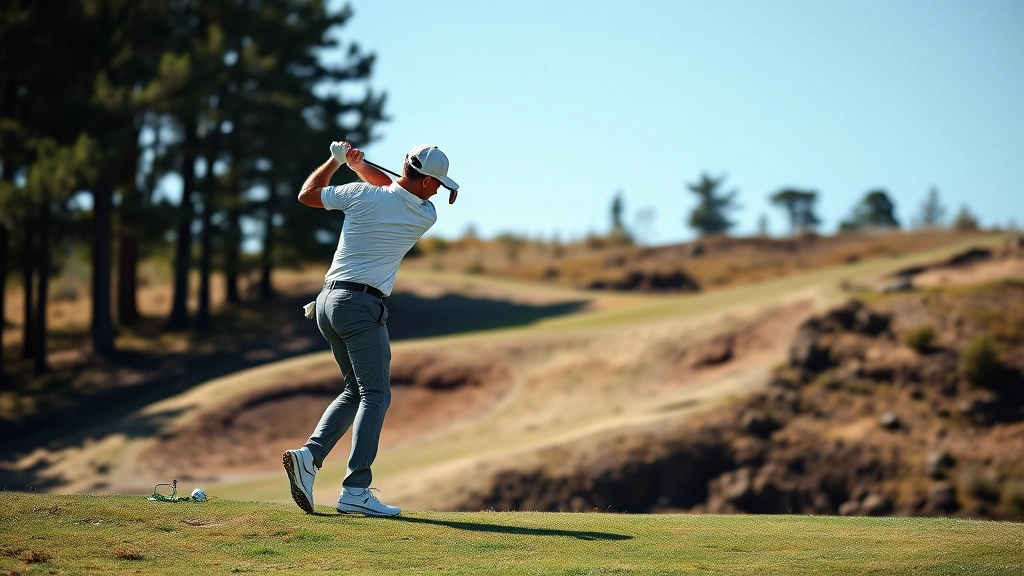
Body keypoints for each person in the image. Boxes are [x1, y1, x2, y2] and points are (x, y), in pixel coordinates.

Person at [283, 141, 459, 516]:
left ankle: (309, 457)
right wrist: (357, 165)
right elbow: (393, 190)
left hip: (327, 304)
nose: (438, 192)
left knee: (355, 390)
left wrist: (336, 162)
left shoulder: (360, 195)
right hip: (362, 306)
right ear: (428, 183)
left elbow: (308, 195)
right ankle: (355, 490)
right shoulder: (425, 214)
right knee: (376, 395)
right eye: (438, 185)